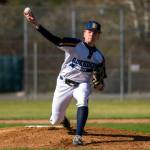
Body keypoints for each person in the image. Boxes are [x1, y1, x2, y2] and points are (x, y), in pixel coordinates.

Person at [24, 8, 107, 145]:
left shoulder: (99, 58)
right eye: (89, 31)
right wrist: (36, 25)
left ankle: (78, 137)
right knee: (55, 120)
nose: (92, 34)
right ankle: (63, 120)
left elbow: (100, 83)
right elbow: (54, 39)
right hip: (64, 83)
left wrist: (99, 85)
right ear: (84, 33)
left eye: (95, 32)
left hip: (82, 84)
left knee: (83, 100)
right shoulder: (74, 44)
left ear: (99, 35)